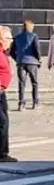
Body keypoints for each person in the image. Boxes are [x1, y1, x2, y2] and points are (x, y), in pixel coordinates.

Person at [10, 20, 41, 111]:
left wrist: (17, 58)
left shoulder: (17, 37)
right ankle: (35, 103)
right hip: (32, 62)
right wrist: (39, 59)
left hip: (21, 62)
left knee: (21, 83)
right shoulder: (34, 36)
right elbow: (37, 49)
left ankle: (21, 104)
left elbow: (12, 52)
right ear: (31, 28)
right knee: (34, 83)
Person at [0, 26, 15, 162]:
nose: (11, 41)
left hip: (1, 92)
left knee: (4, 121)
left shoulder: (3, 52)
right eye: (8, 38)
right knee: (2, 122)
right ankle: (1, 154)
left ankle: (3, 153)